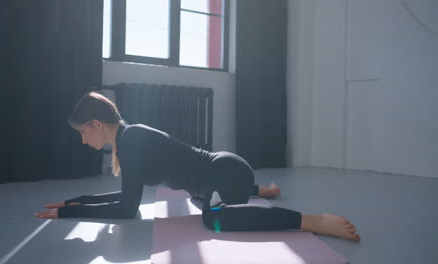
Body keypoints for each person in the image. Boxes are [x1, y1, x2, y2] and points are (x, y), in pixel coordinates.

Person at [35, 92, 360, 241]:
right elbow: (125, 198)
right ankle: (260, 191)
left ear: (94, 124)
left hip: (225, 171)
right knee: (201, 200)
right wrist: (76, 202)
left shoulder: (130, 140)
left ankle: (313, 220)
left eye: (81, 133)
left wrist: (69, 212)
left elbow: (126, 209)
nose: (82, 141)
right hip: (218, 178)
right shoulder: (127, 138)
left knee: (214, 219)